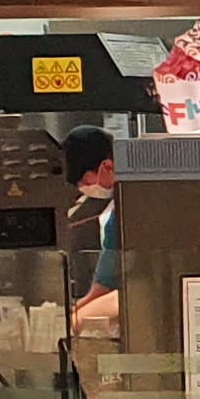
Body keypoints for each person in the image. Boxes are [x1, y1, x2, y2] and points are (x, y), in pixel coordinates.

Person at [58, 126, 119, 317]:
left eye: (85, 182)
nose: (83, 188)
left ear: (107, 166)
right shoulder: (116, 213)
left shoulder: (129, 211)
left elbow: (104, 287)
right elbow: (103, 283)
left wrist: (74, 318)